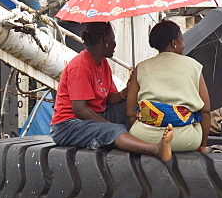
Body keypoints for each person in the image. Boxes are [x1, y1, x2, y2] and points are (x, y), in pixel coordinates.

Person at [50, 22, 173, 161]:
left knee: (134, 107)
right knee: (112, 130)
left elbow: (109, 99)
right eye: (113, 39)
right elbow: (79, 109)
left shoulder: (103, 64)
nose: (115, 44)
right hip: (69, 125)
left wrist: (128, 91)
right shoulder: (80, 67)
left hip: (96, 114)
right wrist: (107, 125)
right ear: (106, 41)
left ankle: (150, 138)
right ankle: (156, 149)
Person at [126, 20, 212, 152]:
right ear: (174, 43)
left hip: (143, 138)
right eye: (182, 40)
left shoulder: (141, 67)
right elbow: (205, 110)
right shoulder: (193, 65)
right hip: (185, 140)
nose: (184, 44)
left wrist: (142, 132)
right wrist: (202, 145)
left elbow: (130, 112)